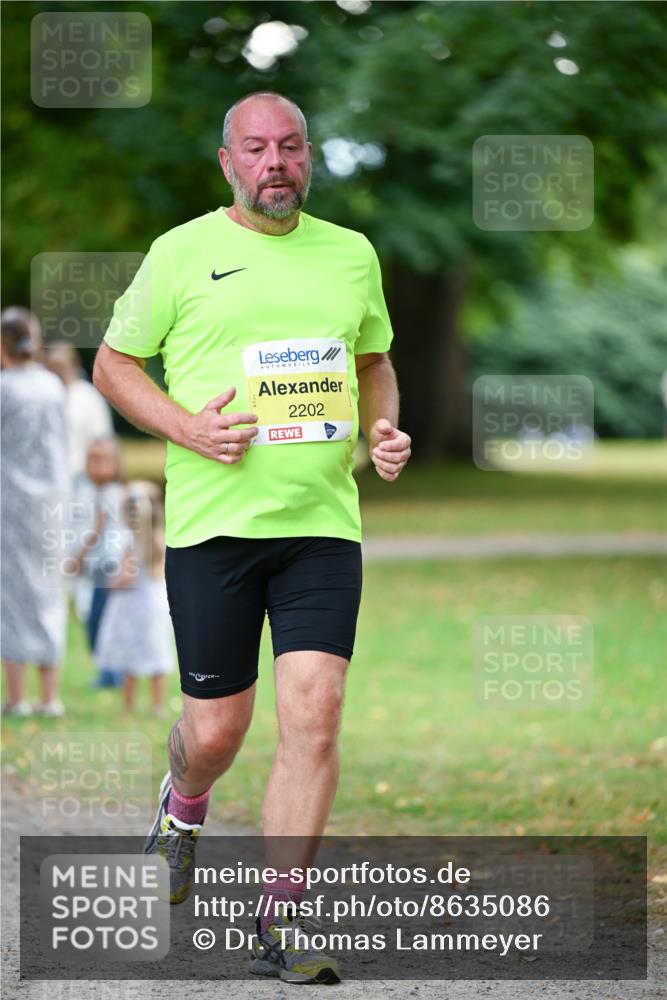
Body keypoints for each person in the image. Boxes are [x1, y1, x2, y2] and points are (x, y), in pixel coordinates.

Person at [93, 91, 411, 984]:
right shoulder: (180, 252)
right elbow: (114, 364)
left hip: (320, 527)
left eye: (291, 147)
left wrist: (382, 428)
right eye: (257, 148)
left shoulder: (350, 253)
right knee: (216, 731)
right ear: (228, 162)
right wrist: (186, 428)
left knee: (315, 713)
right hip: (213, 530)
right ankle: (183, 805)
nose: (276, 163)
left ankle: (281, 918)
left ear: (309, 156)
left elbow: (374, 361)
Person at [1, 307, 69, 717]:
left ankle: (16, 697)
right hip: (53, 502)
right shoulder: (52, 385)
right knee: (48, 591)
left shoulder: (5, 387)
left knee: (11, 596)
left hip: (10, 502)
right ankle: (50, 696)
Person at [94, 480, 174, 715]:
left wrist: (111, 584)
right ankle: (157, 706)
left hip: (133, 605)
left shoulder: (131, 542)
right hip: (156, 604)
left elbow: (127, 576)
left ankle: (128, 706)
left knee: (131, 658)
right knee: (156, 653)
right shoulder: (159, 539)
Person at [67, 437, 126, 687]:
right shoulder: (88, 491)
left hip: (109, 568)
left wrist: (78, 557)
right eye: (91, 460)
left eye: (102, 460)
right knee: (95, 619)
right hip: (97, 569)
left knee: (102, 620)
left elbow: (98, 530)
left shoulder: (113, 493)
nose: (95, 465)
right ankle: (108, 671)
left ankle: (113, 673)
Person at [44, 341, 113, 479]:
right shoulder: (43, 396)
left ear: (73, 365)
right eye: (53, 367)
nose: (57, 371)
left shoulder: (88, 396)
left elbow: (101, 438)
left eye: (60, 366)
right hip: (48, 475)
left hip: (82, 476)